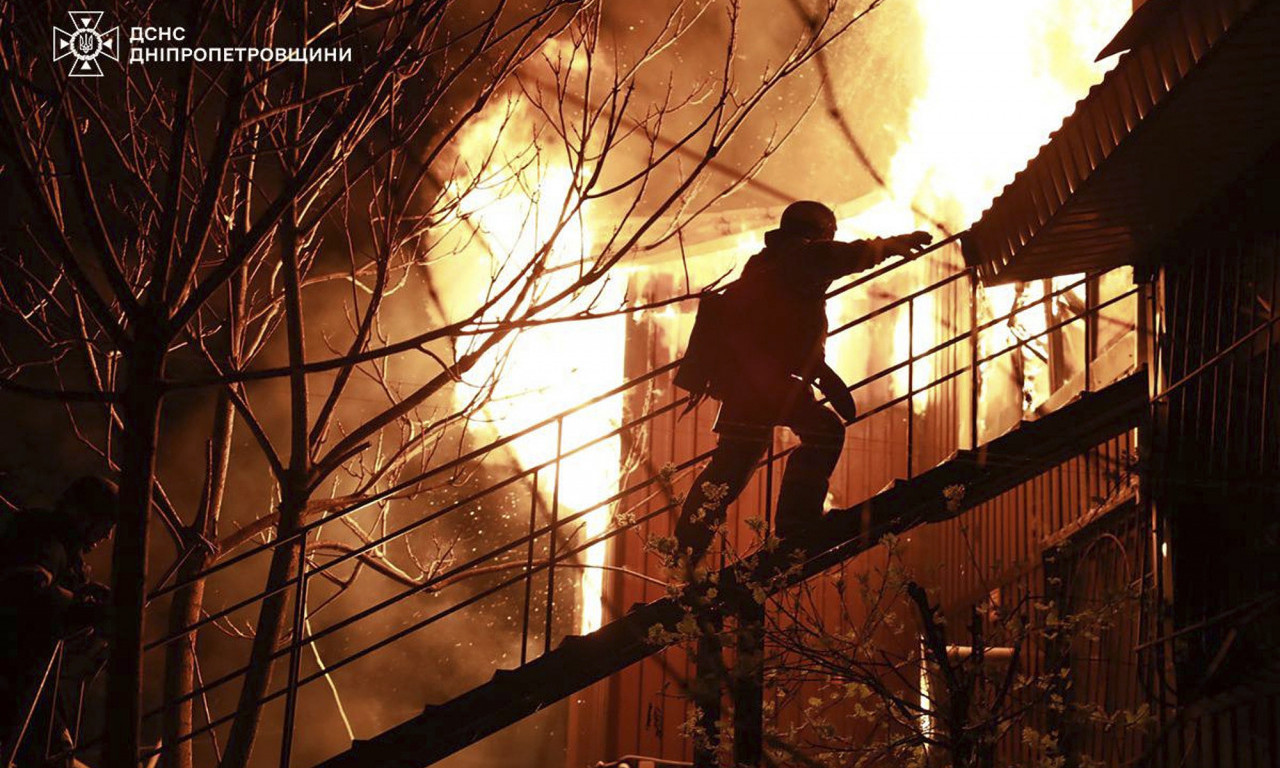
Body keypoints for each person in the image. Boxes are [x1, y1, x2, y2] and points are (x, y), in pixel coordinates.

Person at [673, 201, 932, 569]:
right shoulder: (800, 257)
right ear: (819, 231)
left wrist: (819, 372)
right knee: (821, 434)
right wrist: (891, 245)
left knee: (731, 468)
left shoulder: (771, 263)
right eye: (829, 234)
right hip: (762, 383)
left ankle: (686, 553)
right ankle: (794, 524)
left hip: (753, 382)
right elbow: (837, 257)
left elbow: (782, 329)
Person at [0, 476, 117, 768]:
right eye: (107, 523)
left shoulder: (55, 544)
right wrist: (84, 610)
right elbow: (24, 591)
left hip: (27, 677)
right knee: (54, 757)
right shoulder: (44, 538)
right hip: (12, 675)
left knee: (56, 755)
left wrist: (82, 600)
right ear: (83, 513)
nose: (108, 535)